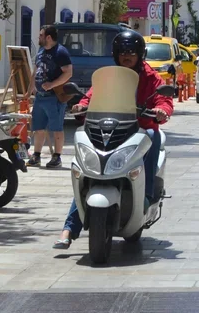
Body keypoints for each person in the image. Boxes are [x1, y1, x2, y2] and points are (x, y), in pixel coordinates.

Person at [54, 30, 173, 249]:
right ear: (116, 54)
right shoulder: (110, 76)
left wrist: (161, 110)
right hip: (110, 128)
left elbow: (162, 98)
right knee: (90, 171)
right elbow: (93, 94)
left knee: (153, 135)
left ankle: (146, 195)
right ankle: (69, 227)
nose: (126, 57)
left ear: (140, 54)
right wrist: (82, 105)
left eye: (131, 53)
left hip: (139, 129)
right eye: (122, 52)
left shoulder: (150, 76)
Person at [28, 24, 73, 168]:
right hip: (40, 97)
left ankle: (57, 157)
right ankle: (36, 155)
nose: (39, 37)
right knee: (38, 128)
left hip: (54, 97)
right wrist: (30, 90)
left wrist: (52, 84)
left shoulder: (60, 52)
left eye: (41, 35)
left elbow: (68, 73)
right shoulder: (41, 51)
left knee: (56, 128)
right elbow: (35, 71)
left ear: (48, 37)